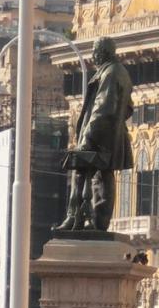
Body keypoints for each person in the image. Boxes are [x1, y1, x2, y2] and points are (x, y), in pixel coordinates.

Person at [56, 37, 133, 232]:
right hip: (111, 134)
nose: (93, 55)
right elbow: (128, 108)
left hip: (101, 135)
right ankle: (92, 221)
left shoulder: (110, 72)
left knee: (84, 172)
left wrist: (88, 136)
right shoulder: (118, 72)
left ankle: (79, 218)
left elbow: (103, 107)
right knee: (102, 176)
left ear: (102, 52)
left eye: (95, 51)